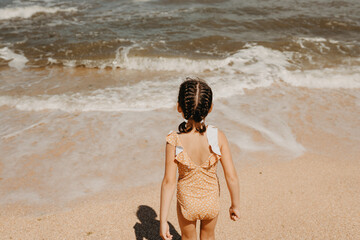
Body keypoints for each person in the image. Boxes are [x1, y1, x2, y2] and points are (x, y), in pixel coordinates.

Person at [159, 77, 240, 240]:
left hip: (187, 202)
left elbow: (169, 182)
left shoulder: (174, 140)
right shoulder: (218, 136)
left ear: (179, 107)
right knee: (208, 236)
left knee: (188, 237)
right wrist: (235, 205)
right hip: (211, 201)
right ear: (209, 108)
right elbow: (231, 176)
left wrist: (163, 220)